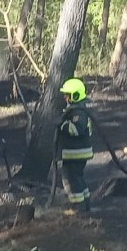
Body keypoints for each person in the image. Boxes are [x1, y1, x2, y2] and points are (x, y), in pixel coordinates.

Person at [57, 78, 94, 212]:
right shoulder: (77, 110)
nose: (65, 97)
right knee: (78, 179)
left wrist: (62, 124)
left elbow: (76, 130)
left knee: (70, 181)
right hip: (76, 153)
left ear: (76, 95)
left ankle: (78, 208)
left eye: (68, 95)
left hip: (76, 153)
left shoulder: (78, 112)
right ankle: (85, 205)